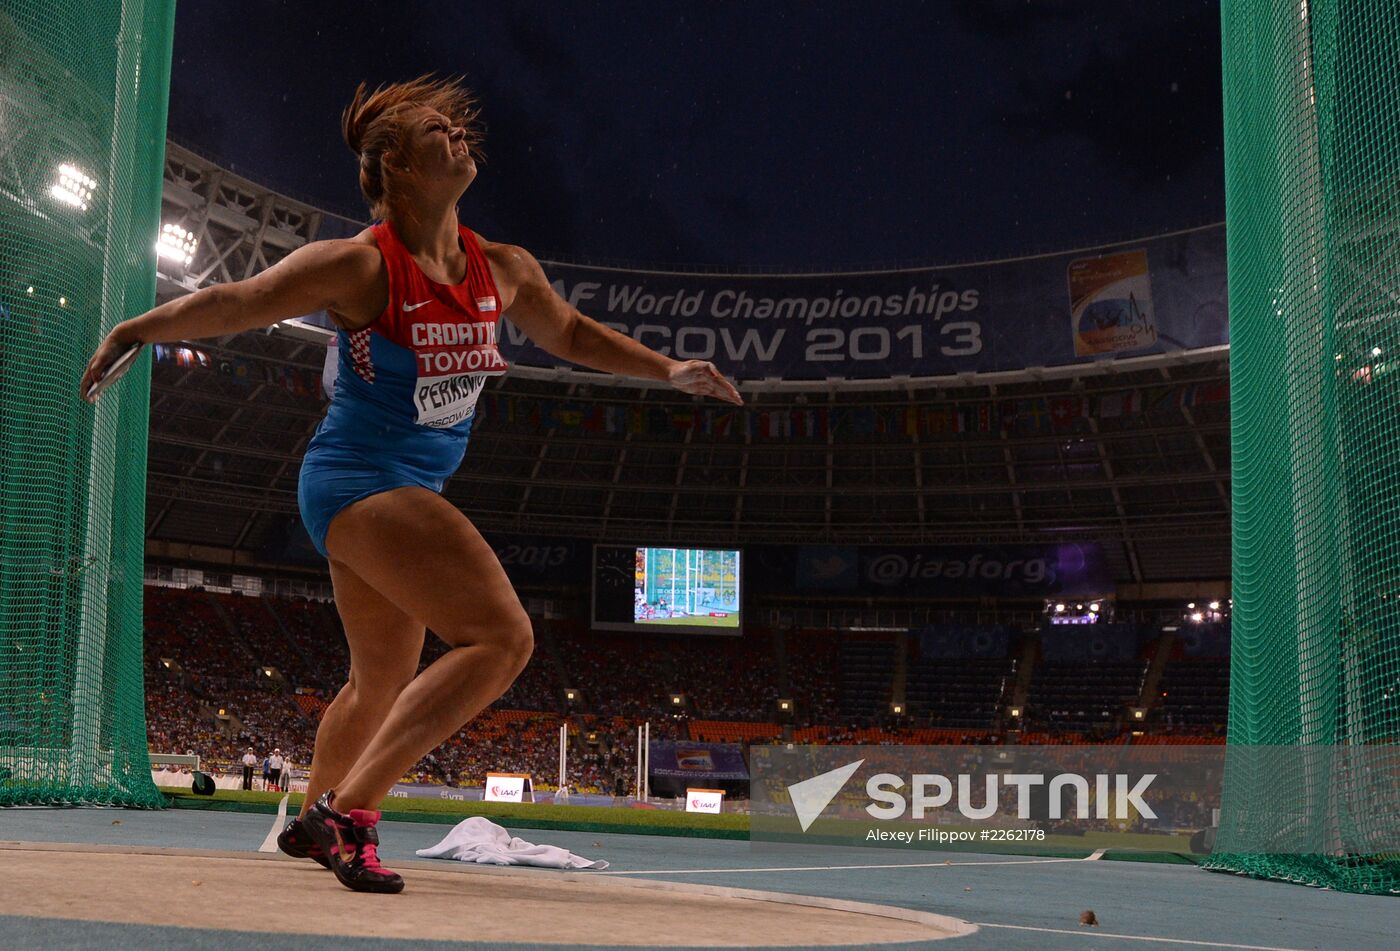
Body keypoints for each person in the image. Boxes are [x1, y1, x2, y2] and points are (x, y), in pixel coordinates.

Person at [79, 75, 741, 895]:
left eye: (459, 127)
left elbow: (567, 330)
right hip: (358, 481)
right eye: (438, 130)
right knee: (504, 639)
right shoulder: (359, 267)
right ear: (393, 163)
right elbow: (239, 300)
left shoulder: (501, 268)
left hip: (390, 492)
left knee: (379, 681)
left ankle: (310, 822)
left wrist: (668, 368)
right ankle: (348, 814)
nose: (461, 136)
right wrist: (136, 325)